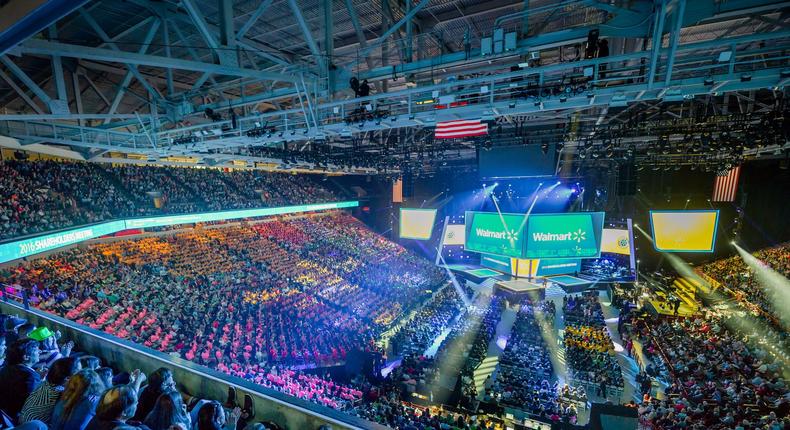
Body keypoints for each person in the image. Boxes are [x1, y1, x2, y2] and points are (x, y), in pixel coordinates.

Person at [20, 357, 81, 423]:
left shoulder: (45, 383)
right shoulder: (61, 394)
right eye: (79, 374)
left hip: (23, 421)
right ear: (67, 378)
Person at [0, 339, 41, 422]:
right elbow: (32, 405)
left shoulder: (5, 368)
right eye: (37, 350)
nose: (40, 351)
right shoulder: (32, 377)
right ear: (26, 357)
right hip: (14, 420)